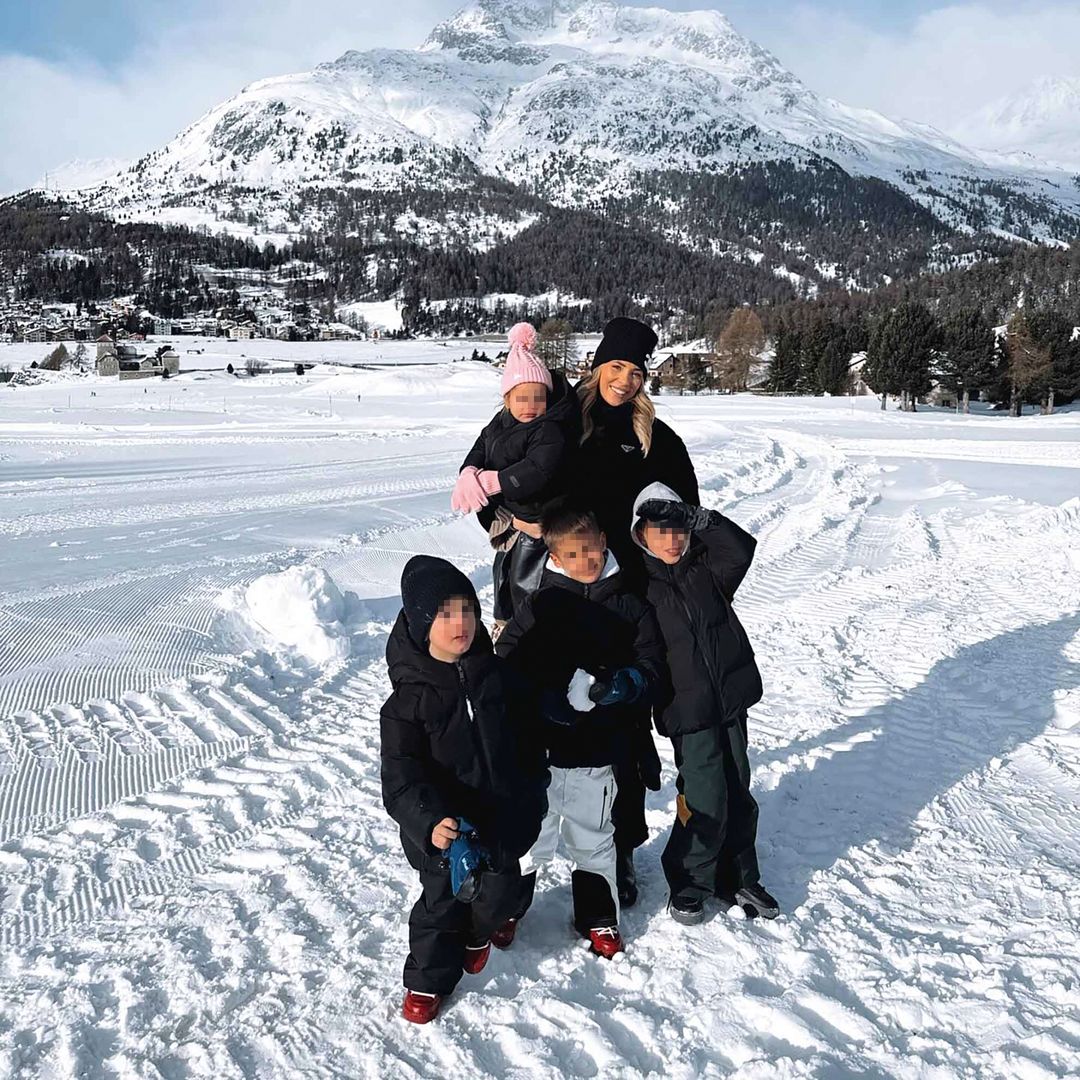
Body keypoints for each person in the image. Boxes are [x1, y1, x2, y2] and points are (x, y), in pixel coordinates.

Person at [380, 555, 548, 1024]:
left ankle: (481, 933)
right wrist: (429, 820)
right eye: (446, 614)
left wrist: (535, 786)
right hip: (446, 833)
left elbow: (528, 738)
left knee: (501, 888)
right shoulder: (405, 705)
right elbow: (400, 777)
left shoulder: (498, 678)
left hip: (504, 814)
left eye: (468, 610)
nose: (462, 623)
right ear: (421, 624)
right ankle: (426, 982)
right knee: (440, 908)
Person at [496, 502, 666, 957]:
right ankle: (506, 910)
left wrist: (624, 684)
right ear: (555, 557)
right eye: (573, 554)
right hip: (543, 753)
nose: (585, 561)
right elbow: (506, 661)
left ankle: (599, 918)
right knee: (531, 836)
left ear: (604, 542)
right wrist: (538, 696)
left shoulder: (630, 604)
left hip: (598, 752)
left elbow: (652, 664)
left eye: (591, 549)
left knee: (593, 838)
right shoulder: (541, 605)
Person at [573, 315, 698, 905]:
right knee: (557, 722)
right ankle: (548, 849)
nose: (624, 379)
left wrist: (671, 560)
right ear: (598, 363)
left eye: (636, 370)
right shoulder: (561, 422)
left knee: (620, 721)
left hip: (629, 598)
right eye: (616, 365)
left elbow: (688, 508)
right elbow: (501, 481)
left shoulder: (656, 438)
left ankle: (619, 849)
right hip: (563, 592)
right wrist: (510, 523)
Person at [631, 482, 779, 924]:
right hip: (687, 712)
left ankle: (738, 876)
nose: (673, 540)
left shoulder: (707, 570)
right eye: (662, 531)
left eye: (680, 530)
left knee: (738, 789)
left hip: (730, 700)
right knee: (704, 797)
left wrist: (702, 517)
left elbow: (741, 550)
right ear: (641, 534)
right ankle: (689, 880)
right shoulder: (639, 588)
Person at [451, 322, 580, 628]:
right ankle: (503, 620)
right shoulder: (500, 422)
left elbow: (538, 469)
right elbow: (481, 445)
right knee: (504, 572)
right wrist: (469, 472)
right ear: (507, 399)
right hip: (513, 515)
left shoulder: (549, 428)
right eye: (521, 398)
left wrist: (494, 481)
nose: (531, 406)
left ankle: (525, 628)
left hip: (539, 516)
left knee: (528, 576)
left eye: (538, 397)